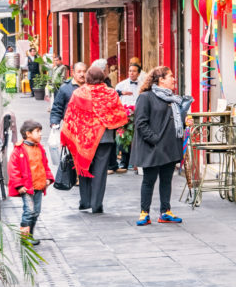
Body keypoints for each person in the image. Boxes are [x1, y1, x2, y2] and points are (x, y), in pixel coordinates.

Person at [131, 66, 193, 226]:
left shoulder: (173, 99)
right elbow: (140, 123)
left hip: (170, 146)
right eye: (170, 76)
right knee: (149, 180)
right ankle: (144, 212)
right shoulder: (146, 97)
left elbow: (175, 119)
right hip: (153, 147)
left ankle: (165, 211)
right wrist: (155, 139)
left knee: (166, 180)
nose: (174, 79)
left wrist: (186, 122)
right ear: (161, 80)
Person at [61, 65, 128, 213]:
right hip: (104, 139)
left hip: (83, 139)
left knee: (84, 168)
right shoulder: (110, 93)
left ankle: (85, 201)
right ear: (102, 77)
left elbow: (71, 115)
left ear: (88, 78)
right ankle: (97, 204)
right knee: (100, 172)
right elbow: (119, 114)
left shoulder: (79, 93)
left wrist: (68, 135)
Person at [7, 120, 54, 246]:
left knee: (36, 212)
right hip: (26, 188)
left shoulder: (40, 148)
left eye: (40, 131)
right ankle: (24, 237)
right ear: (28, 133)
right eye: (37, 132)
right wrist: (19, 185)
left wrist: (48, 178)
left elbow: (45, 165)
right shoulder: (19, 150)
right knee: (29, 211)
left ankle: (30, 235)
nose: (40, 134)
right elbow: (13, 169)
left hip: (38, 185)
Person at [49, 62, 86, 164]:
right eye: (79, 72)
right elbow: (57, 107)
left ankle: (82, 177)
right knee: (73, 157)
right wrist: (54, 122)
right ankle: (77, 178)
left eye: (84, 71)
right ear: (73, 73)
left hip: (87, 130)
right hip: (71, 129)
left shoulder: (90, 87)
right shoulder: (65, 88)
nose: (82, 74)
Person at [112, 61, 143, 173]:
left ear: (139, 73)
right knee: (124, 138)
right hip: (125, 115)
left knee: (136, 139)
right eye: (130, 71)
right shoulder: (121, 85)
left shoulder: (143, 84)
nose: (131, 73)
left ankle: (136, 163)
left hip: (139, 114)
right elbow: (115, 98)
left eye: (134, 71)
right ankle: (124, 163)